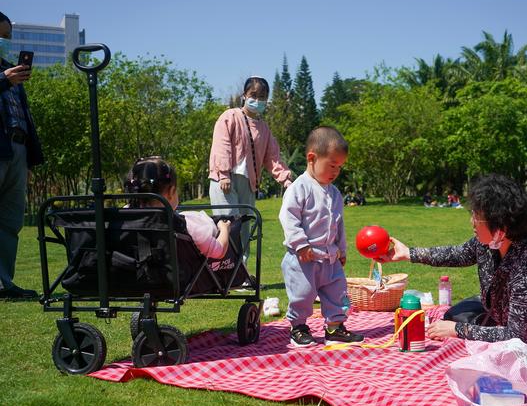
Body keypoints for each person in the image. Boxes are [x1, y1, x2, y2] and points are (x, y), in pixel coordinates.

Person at [379, 174, 527, 343]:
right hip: (506, 309)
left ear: (500, 227)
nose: (471, 221)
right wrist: (409, 253)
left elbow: (517, 334)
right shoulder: (493, 240)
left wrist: (457, 330)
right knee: (455, 314)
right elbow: (459, 253)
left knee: (455, 321)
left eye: (476, 217)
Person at [279, 126, 364, 347]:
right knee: (303, 295)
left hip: (330, 258)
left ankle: (335, 328)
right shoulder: (299, 188)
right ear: (312, 158)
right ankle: (298, 328)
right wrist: (300, 244)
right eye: (332, 165)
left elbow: (339, 224)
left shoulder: (335, 193)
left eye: (340, 167)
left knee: (338, 293)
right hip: (303, 258)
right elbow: (288, 217)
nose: (336, 171)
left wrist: (342, 250)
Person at [209, 76, 293, 261]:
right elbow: (221, 145)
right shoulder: (230, 116)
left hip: (248, 183)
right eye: (253, 95)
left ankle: (242, 273)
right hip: (225, 181)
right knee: (227, 225)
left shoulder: (263, 128)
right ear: (244, 95)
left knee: (245, 228)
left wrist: (286, 179)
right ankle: (225, 272)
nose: (258, 99)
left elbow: (272, 157)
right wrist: (223, 174)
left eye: (262, 96)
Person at [0, 11, 44, 299]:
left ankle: (4, 283)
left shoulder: (7, 70)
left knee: (10, 221)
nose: (4, 42)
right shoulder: (4, 75)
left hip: (15, 149)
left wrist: (29, 155)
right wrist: (3, 79)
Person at [125, 156, 231, 261]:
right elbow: (218, 251)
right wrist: (224, 229)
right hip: (173, 277)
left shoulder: (123, 220)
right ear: (171, 192)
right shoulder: (184, 226)